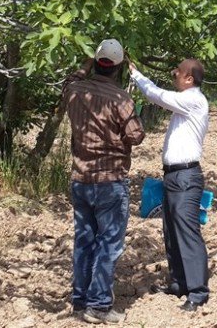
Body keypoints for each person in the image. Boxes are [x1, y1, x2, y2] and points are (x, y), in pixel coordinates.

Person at [63, 39, 145, 324]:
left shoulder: (74, 90)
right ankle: (98, 305)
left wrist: (85, 64)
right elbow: (136, 135)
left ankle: (79, 301)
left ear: (96, 62)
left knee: (84, 240)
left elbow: (72, 78)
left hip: (81, 178)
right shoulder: (121, 99)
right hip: (110, 180)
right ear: (119, 67)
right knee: (108, 244)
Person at [128, 58, 210, 312]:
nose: (174, 73)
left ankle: (197, 291)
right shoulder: (185, 104)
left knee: (186, 231)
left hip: (185, 177)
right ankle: (179, 284)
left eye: (179, 71)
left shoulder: (193, 99)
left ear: (189, 78)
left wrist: (136, 75)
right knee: (172, 231)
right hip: (174, 176)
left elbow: (157, 95)